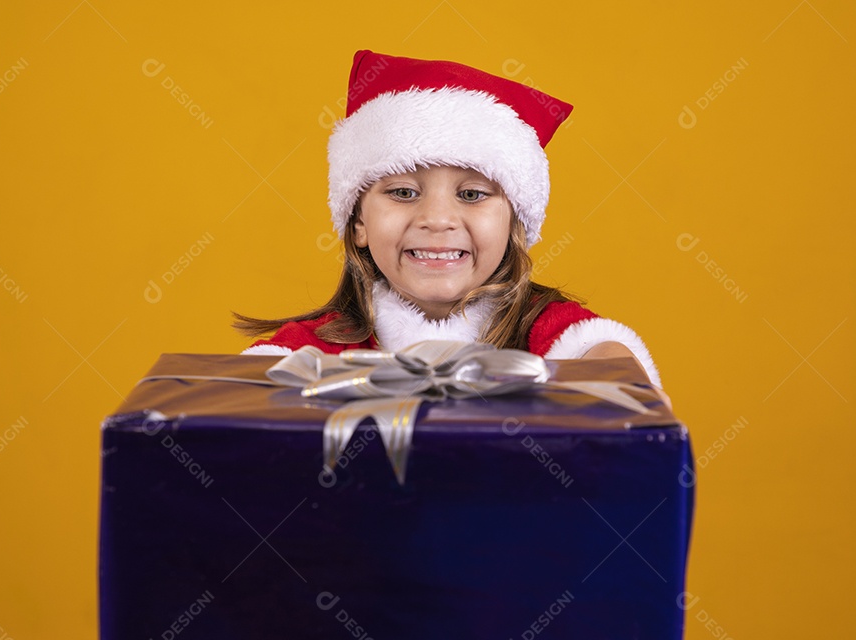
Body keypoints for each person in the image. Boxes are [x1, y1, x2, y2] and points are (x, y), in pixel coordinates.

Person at [235, 49, 662, 388]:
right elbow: (246, 406)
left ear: (514, 223)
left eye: (472, 194)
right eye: (403, 192)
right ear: (358, 222)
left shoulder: (548, 331)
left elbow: (611, 369)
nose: (437, 220)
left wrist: (611, 373)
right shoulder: (315, 346)